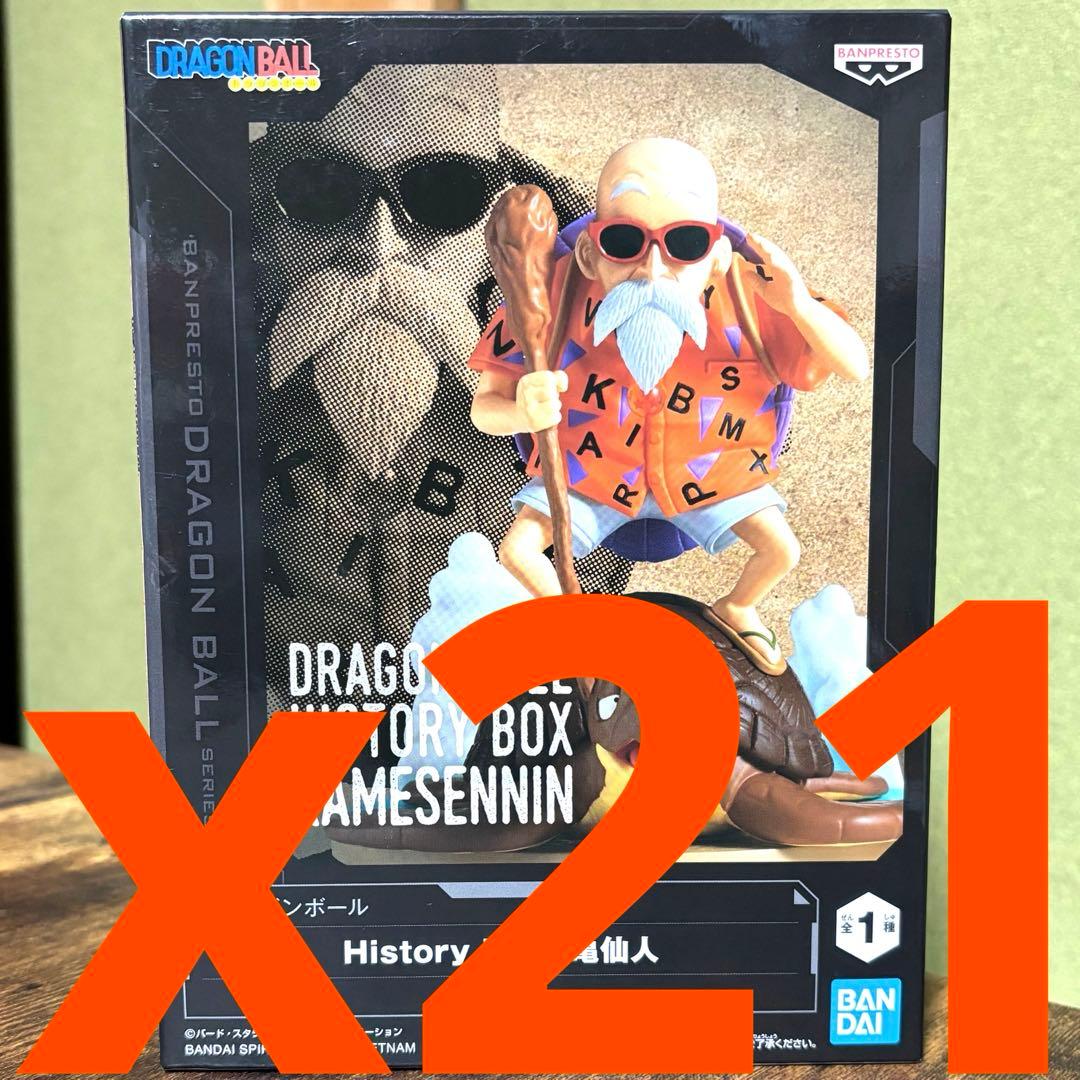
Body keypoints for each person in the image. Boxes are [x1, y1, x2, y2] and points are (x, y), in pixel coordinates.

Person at [469, 137, 869, 675]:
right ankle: (583, 632)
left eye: (685, 242)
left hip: (714, 473)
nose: (653, 269)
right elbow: (485, 409)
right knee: (517, 552)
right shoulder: (549, 298)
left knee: (782, 552)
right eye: (625, 241)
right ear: (589, 252)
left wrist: (796, 304)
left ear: (717, 255)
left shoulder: (753, 297)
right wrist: (522, 410)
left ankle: (738, 606)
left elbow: (855, 367)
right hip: (588, 475)